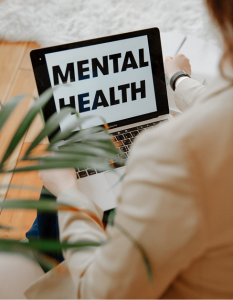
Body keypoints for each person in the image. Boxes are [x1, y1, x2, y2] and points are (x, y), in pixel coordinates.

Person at [1, 0, 233, 298]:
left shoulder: (172, 153)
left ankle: (40, 252)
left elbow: (101, 293)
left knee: (62, 180)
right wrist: (178, 79)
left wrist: (69, 193)